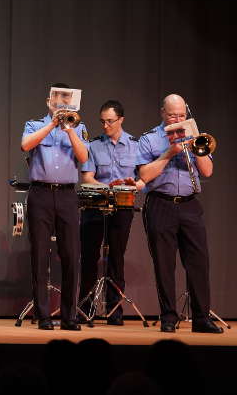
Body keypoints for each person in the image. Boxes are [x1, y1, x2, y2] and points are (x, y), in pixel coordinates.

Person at [136, 94, 222, 333]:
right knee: (164, 264)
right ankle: (168, 317)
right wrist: (169, 153)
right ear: (163, 113)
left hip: (189, 204)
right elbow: (144, 175)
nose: (177, 118)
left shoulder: (195, 135)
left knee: (198, 262)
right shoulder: (150, 139)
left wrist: (194, 149)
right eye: (173, 115)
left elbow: (207, 171)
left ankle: (201, 318)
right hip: (160, 204)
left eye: (182, 115)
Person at [20, 82, 89, 331]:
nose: (61, 104)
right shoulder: (35, 125)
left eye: (65, 100)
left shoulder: (79, 127)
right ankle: (43, 315)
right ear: (49, 101)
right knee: (40, 256)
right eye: (56, 100)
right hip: (40, 193)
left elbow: (84, 157)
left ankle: (70, 316)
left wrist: (69, 130)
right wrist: (52, 124)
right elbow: (26, 145)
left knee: (71, 255)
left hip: (68, 196)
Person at [78, 100, 143, 325]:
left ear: (121, 120)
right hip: (95, 206)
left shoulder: (135, 145)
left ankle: (115, 310)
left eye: (110, 121)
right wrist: (108, 187)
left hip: (122, 208)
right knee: (89, 257)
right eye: (102, 121)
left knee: (116, 257)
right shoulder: (94, 145)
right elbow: (87, 177)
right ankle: (85, 309)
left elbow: (142, 178)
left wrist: (134, 184)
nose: (105, 126)